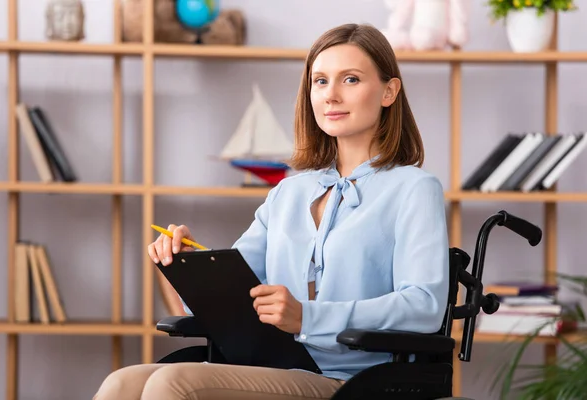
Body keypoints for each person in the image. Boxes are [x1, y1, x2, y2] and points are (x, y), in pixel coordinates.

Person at [93, 22, 449, 400]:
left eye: (350, 80)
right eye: (320, 81)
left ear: (389, 91)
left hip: (355, 381)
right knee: (121, 383)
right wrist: (184, 264)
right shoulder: (287, 193)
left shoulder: (414, 188)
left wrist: (307, 318)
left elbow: (423, 306)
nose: (331, 96)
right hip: (271, 363)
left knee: (171, 382)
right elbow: (237, 292)